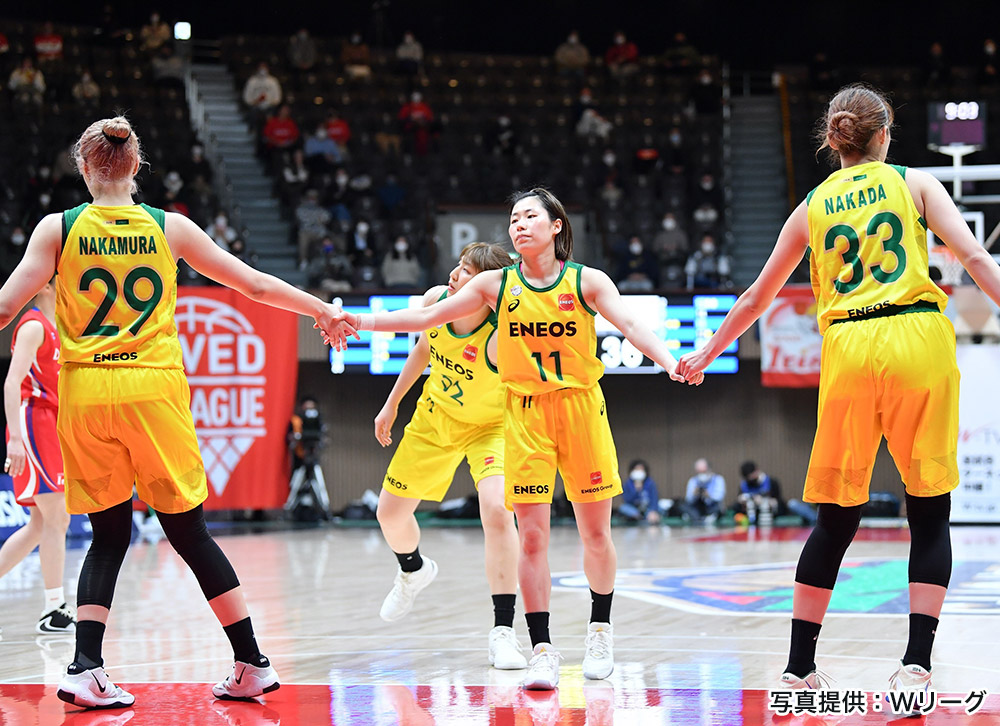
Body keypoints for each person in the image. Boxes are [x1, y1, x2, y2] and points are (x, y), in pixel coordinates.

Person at [0, 116, 350, 710]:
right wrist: (320, 308)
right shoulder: (170, 227)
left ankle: (86, 667)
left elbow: (7, 306)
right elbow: (254, 286)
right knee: (188, 530)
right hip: (153, 389)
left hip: (87, 391)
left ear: (83, 167)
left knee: (108, 535)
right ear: (137, 165)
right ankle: (250, 662)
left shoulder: (57, 228)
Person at [676, 83, 1000, 699]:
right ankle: (915, 666)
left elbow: (757, 298)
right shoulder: (915, 183)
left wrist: (708, 352)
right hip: (915, 338)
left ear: (835, 139)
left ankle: (799, 666)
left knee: (834, 518)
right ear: (884, 135)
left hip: (848, 348)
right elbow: (978, 262)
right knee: (929, 512)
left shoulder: (811, 206)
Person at [328, 187, 701, 691]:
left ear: (556, 226)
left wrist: (671, 362)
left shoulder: (587, 280)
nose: (519, 224)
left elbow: (632, 324)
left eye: (530, 216)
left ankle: (600, 631)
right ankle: (541, 648)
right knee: (531, 537)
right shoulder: (495, 285)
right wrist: (359, 320)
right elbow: (424, 321)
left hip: (578, 409)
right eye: (513, 218)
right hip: (522, 415)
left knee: (594, 535)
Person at [373, 242, 528, 670]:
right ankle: (413, 570)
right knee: (389, 516)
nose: (455, 275)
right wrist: (391, 404)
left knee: (497, 510)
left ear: (487, 288)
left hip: (491, 429)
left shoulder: (502, 330)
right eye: (458, 266)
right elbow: (423, 349)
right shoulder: (434, 300)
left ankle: (503, 632)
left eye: (467, 272)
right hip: (435, 419)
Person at [2, 278, 74, 633]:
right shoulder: (33, 326)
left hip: (53, 423)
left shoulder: (62, 324)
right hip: (34, 422)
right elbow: (11, 382)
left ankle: (54, 606)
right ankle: (54, 608)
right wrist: (15, 439)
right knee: (58, 517)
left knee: (40, 524)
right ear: (45, 285)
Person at [681, 458, 725, 523]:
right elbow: (688, 499)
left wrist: (709, 495)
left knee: (718, 507)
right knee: (684, 506)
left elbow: (719, 497)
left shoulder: (718, 479)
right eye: (699, 472)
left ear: (709, 469)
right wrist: (694, 494)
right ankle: (694, 518)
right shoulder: (693, 481)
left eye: (703, 471)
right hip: (697, 508)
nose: (701, 474)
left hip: (711, 507)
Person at [736, 461, 778, 526]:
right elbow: (740, 498)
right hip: (750, 513)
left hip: (767, 514)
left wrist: (765, 501)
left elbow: (777, 500)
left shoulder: (771, 482)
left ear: (757, 470)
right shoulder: (744, 484)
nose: (751, 480)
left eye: (752, 476)